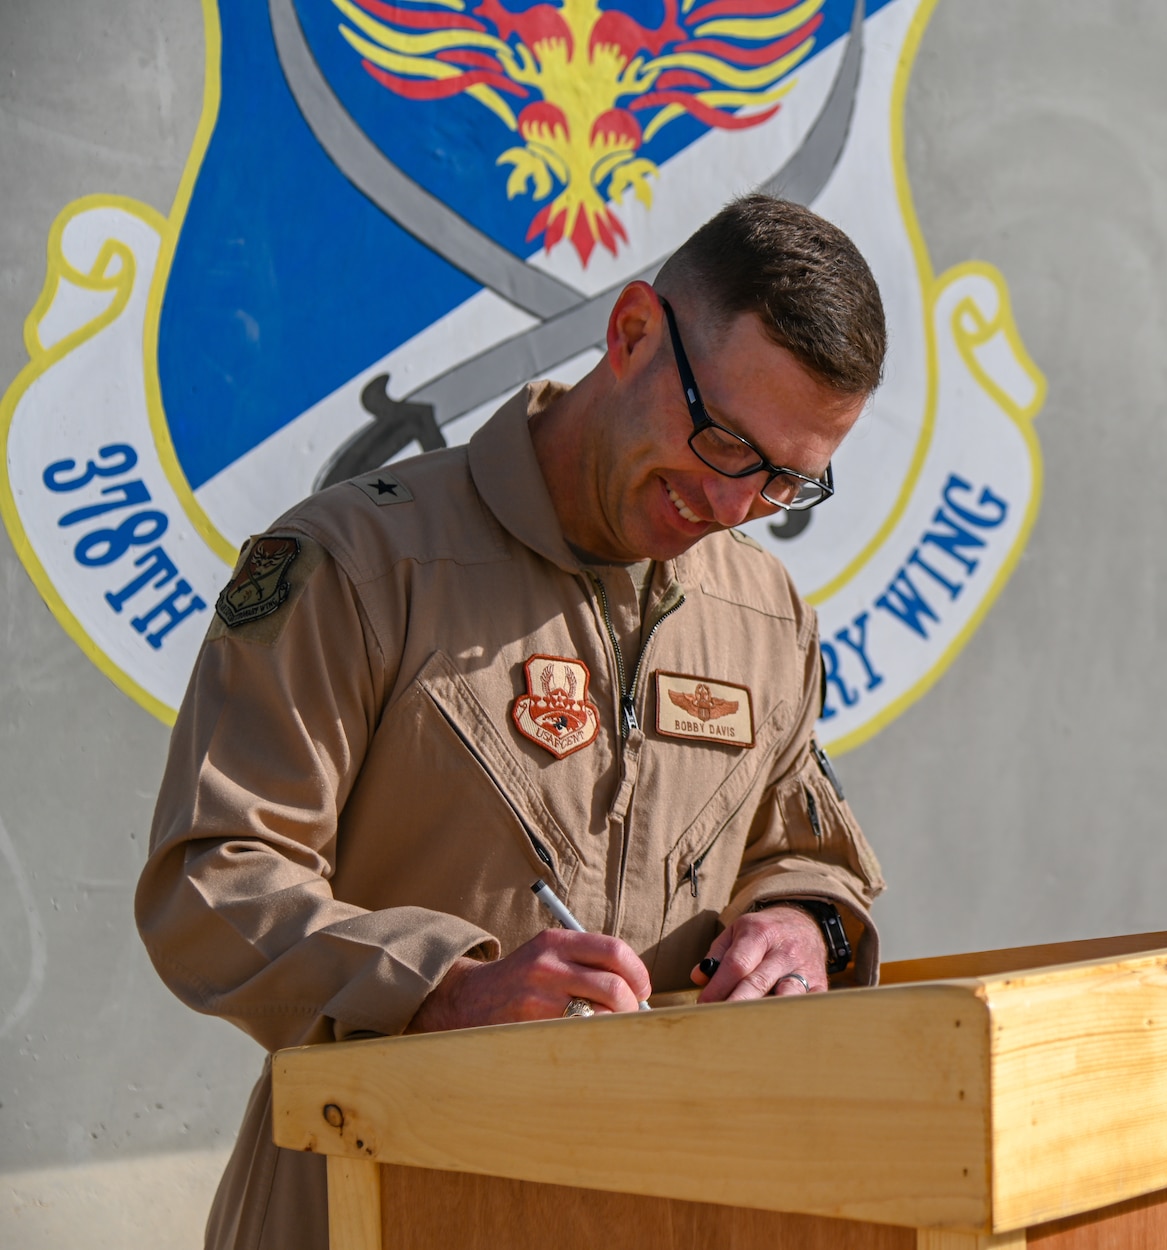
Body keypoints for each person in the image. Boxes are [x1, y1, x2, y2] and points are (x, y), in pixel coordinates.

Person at [134, 196, 889, 1250]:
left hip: (664, 1207)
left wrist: (802, 924)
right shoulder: (357, 562)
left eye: (783, 480)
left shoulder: (763, 616)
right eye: (722, 442)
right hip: (368, 1202)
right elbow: (208, 880)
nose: (730, 506)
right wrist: (440, 985)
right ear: (629, 334)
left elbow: (804, 854)